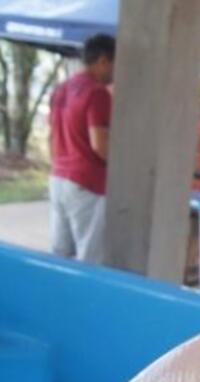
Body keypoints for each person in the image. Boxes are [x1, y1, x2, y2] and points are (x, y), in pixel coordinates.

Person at [48, 34, 116, 263]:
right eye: (114, 65)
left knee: (60, 255)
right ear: (104, 60)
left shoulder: (61, 89)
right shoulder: (97, 93)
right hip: (85, 183)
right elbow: (99, 144)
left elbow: (52, 137)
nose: (114, 73)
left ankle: (59, 298)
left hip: (58, 178)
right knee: (90, 258)